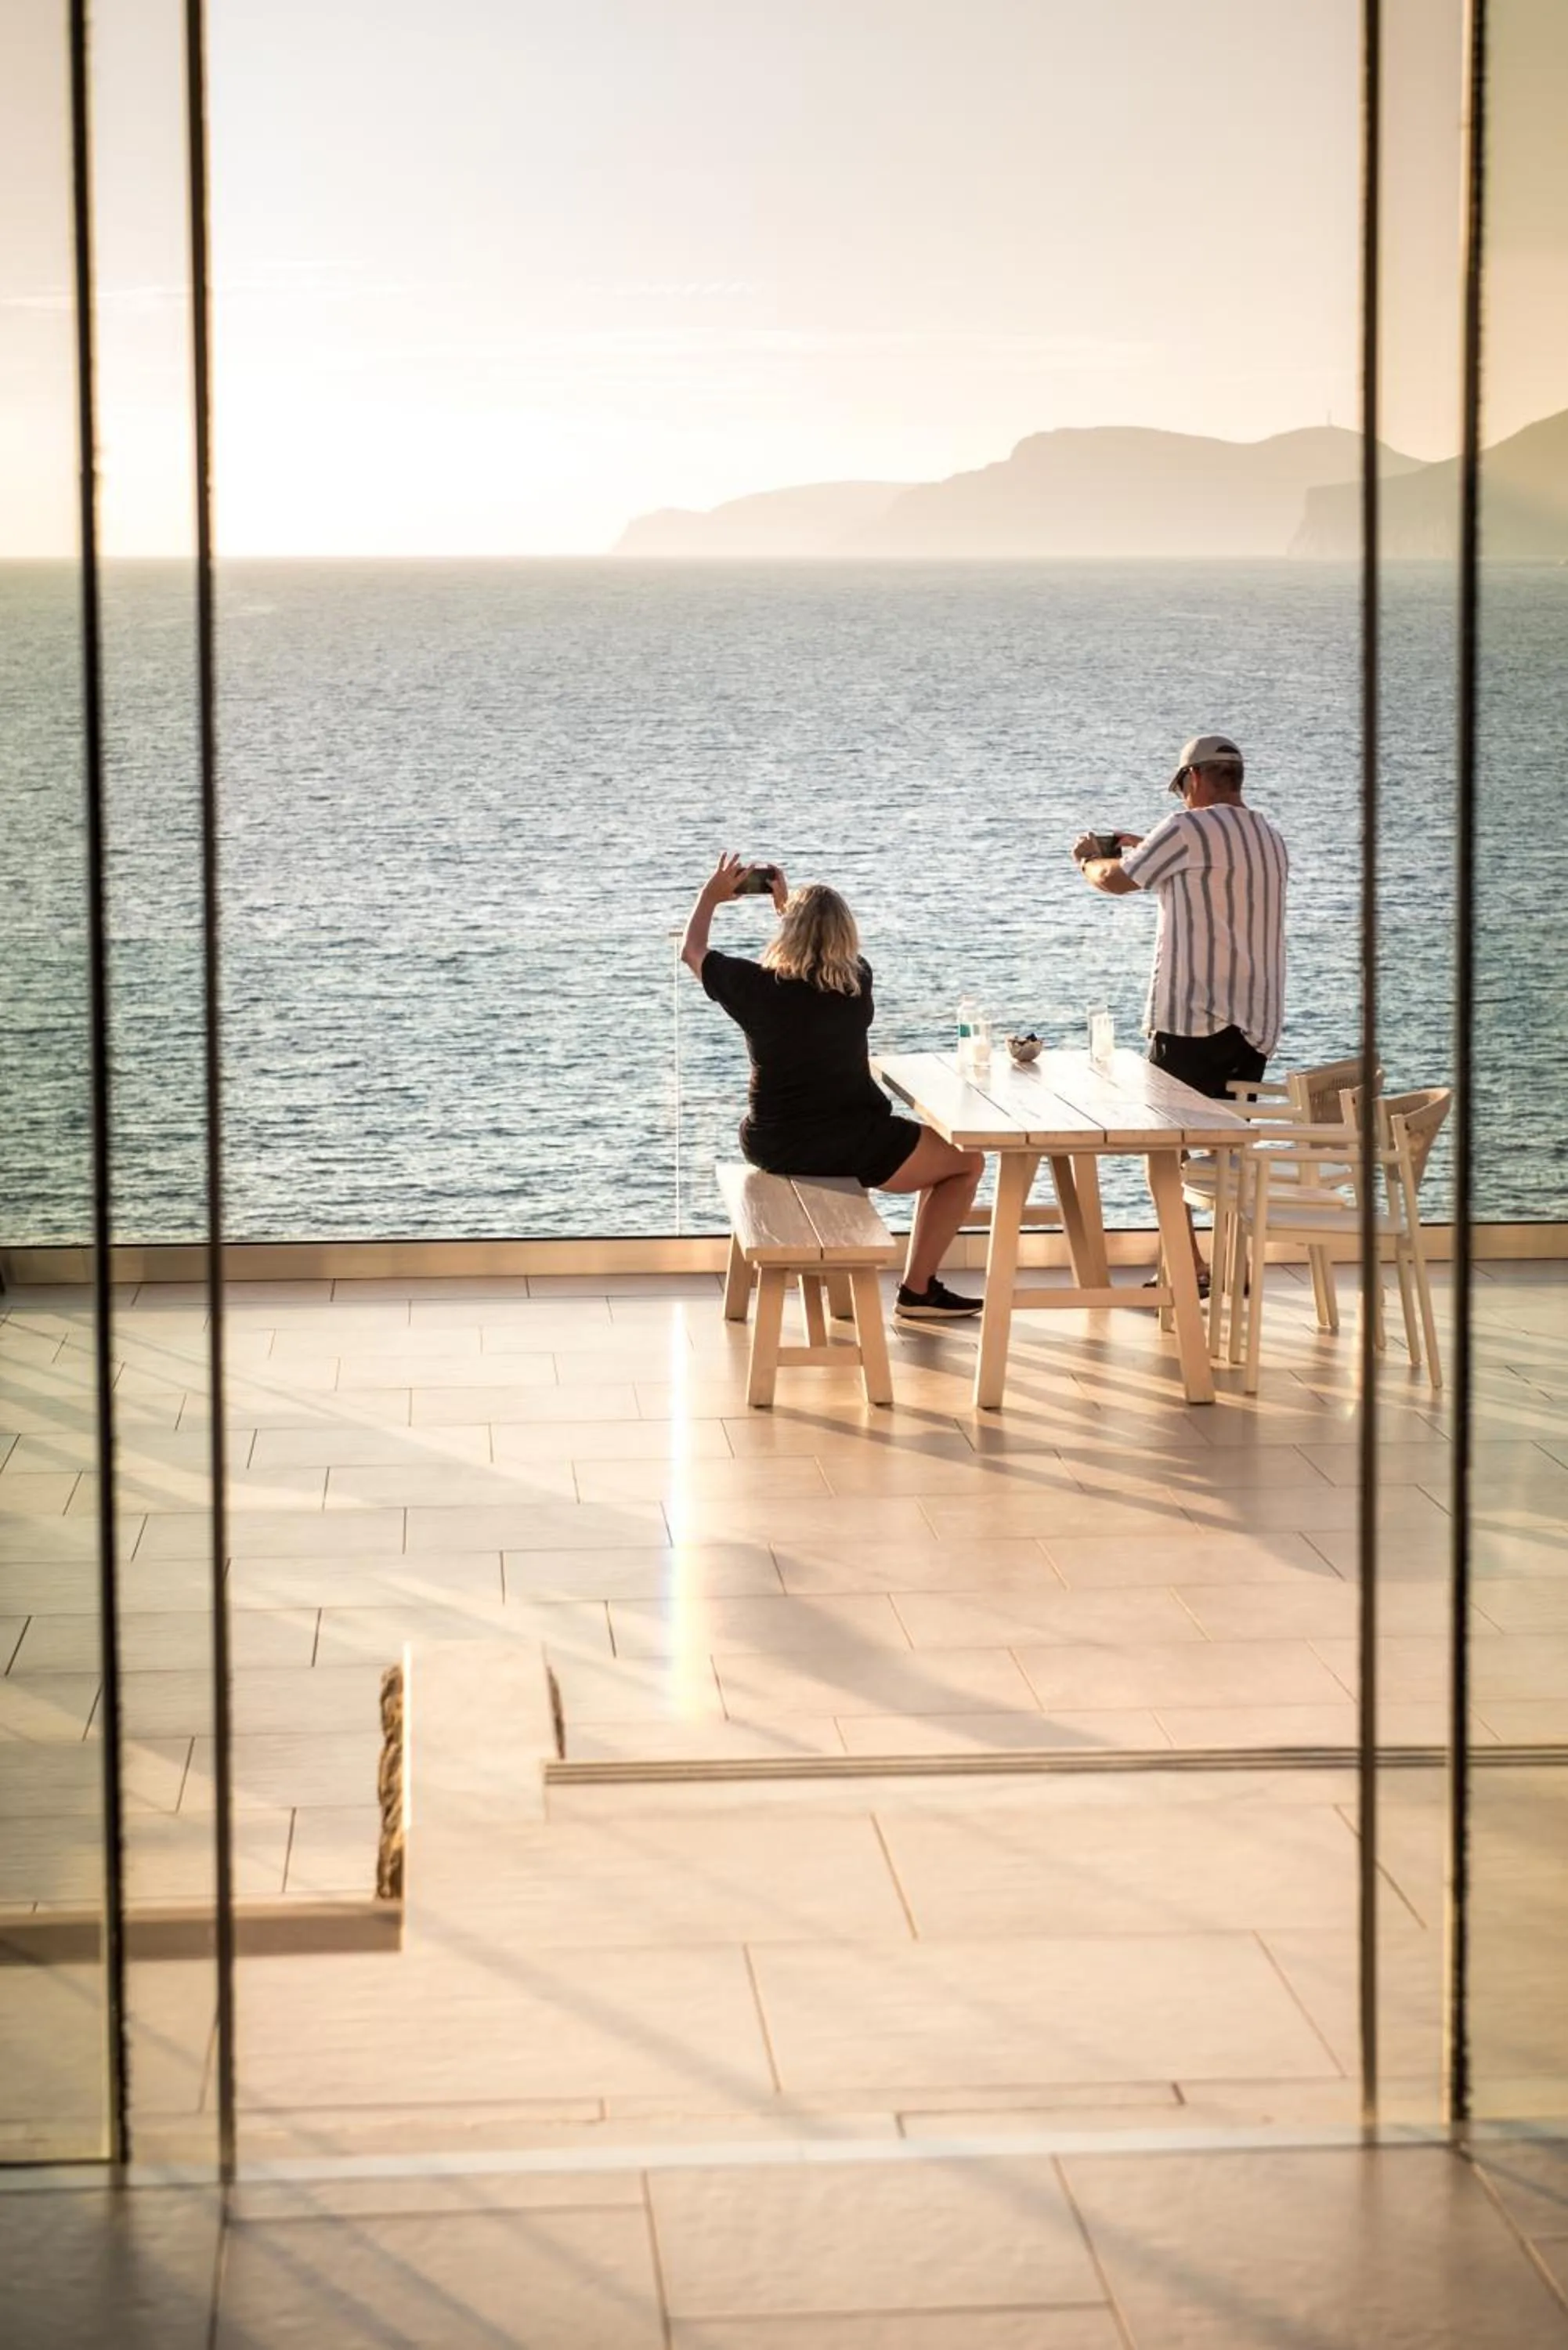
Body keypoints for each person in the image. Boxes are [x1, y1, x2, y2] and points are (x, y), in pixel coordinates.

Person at [682, 853, 983, 1322]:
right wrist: (790, 910)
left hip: (772, 1145)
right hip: (850, 1145)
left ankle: (918, 1290)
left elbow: (692, 950)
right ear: (846, 935)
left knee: (949, 1158)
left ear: (789, 934)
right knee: (966, 1164)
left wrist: (710, 898)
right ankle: (918, 1289)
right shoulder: (856, 987)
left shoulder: (754, 988)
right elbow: (840, 961)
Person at [1071, 732, 1288, 1278]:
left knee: (1165, 1147)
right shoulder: (1270, 837)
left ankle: (1187, 1267)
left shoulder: (1187, 830)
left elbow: (1118, 880)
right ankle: (1231, 1264)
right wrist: (1145, 843)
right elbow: (1208, 873)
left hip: (1193, 1020)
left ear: (1192, 779)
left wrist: (1088, 862)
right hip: (1254, 1025)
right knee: (1227, 1150)